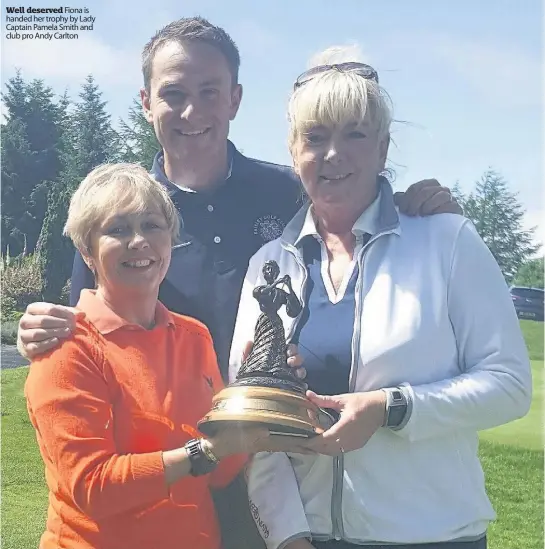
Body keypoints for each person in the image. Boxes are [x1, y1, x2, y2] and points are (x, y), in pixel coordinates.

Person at [16, 17, 462, 549]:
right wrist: (42, 330)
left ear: (235, 98)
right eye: (173, 94)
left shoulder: (288, 191)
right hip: (157, 483)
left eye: (209, 92)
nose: (191, 112)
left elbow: (355, 196)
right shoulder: (125, 210)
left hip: (268, 465)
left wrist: (413, 207)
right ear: (145, 101)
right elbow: (92, 342)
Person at [229, 47, 532, 549]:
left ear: (384, 148)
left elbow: (509, 384)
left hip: (433, 536)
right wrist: (288, 537)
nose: (334, 154)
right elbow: (251, 414)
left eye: (355, 134)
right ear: (293, 150)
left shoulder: (447, 242)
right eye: (316, 137)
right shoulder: (269, 263)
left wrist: (393, 407)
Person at [24, 163, 284, 549]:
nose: (139, 241)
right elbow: (92, 486)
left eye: (152, 225)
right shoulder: (67, 346)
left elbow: (218, 472)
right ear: (86, 250)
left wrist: (254, 402)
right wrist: (203, 452)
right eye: (117, 229)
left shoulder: (194, 337)